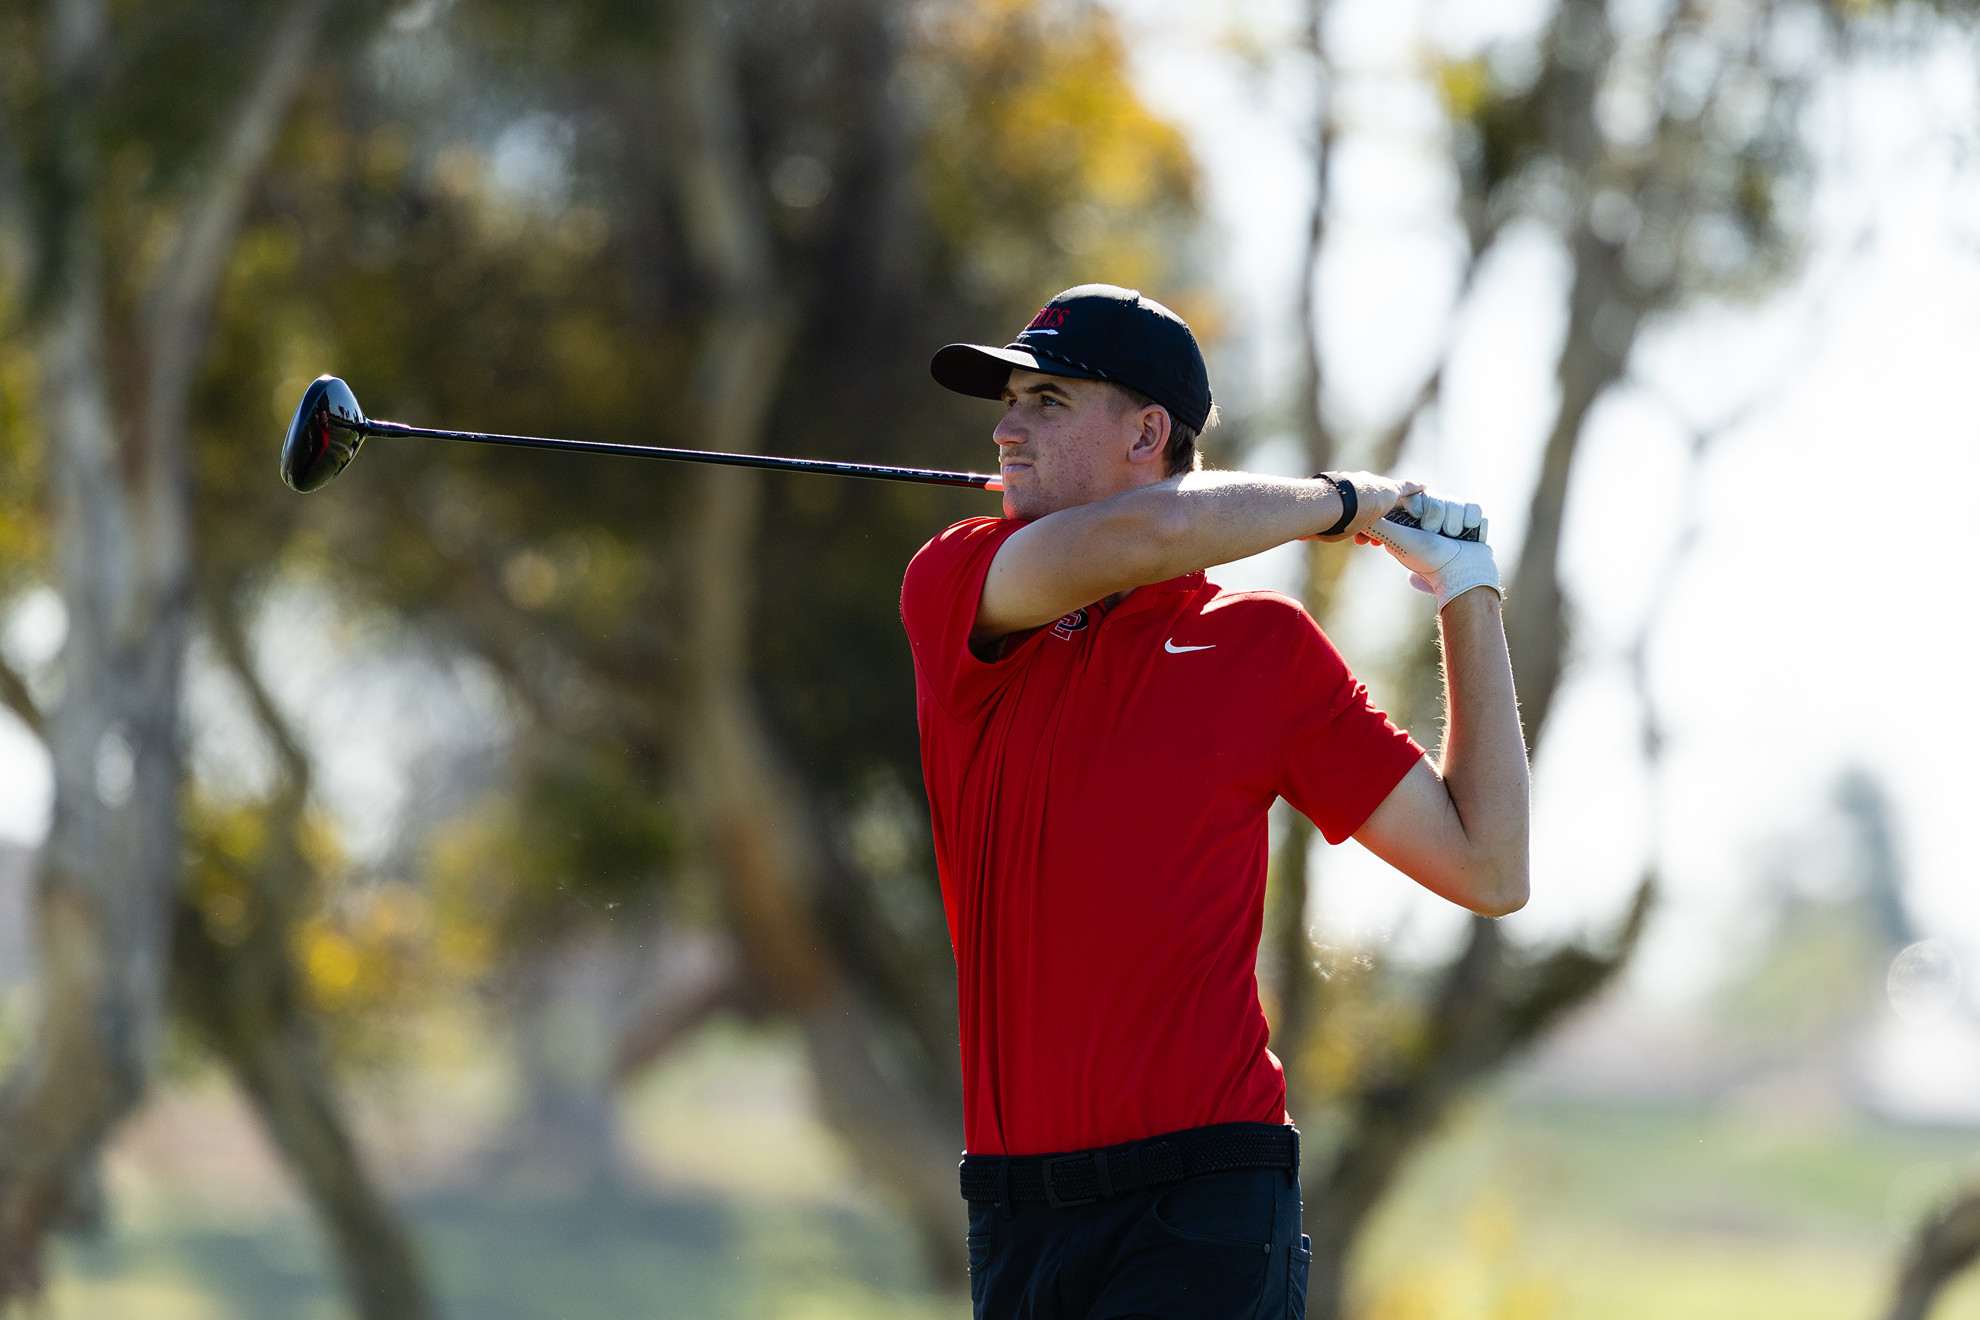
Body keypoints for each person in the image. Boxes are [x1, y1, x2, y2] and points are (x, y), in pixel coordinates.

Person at [900, 284, 1529, 1319]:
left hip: (1205, 1198)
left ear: (1150, 430)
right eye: (1009, 403)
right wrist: (1342, 501)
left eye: (1048, 400)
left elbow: (1489, 866)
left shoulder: (1263, 652)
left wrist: (1466, 587)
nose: (1008, 428)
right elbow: (1145, 538)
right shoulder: (958, 584)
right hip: (1016, 1213)